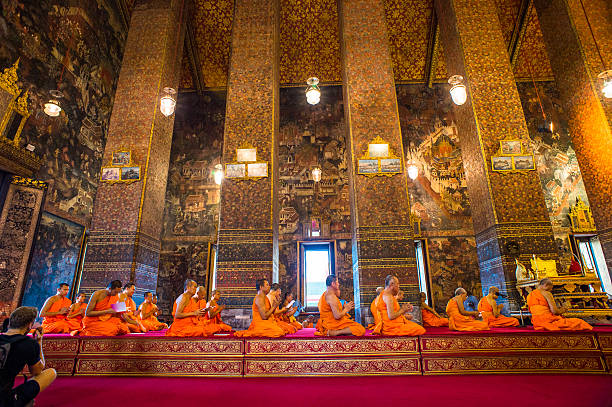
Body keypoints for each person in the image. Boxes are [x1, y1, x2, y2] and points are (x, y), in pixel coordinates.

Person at [0, 307, 57, 407]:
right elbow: (37, 371)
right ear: (30, 325)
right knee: (51, 373)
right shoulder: (28, 343)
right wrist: (39, 342)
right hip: (4, 400)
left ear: (10, 322)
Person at [527, 278, 592, 331]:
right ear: (546, 285)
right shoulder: (546, 293)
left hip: (536, 322)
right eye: (550, 289)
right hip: (549, 321)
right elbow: (555, 311)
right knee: (579, 322)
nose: (550, 290)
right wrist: (563, 310)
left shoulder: (530, 295)